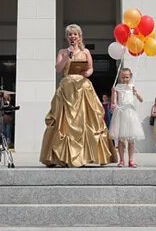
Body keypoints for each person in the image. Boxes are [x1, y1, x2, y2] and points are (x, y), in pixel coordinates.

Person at [40, 24, 117, 167]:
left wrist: (87, 73)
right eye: (70, 34)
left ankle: (89, 156)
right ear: (67, 37)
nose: (72, 37)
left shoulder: (85, 51)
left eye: (75, 34)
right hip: (67, 87)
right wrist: (66, 56)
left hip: (82, 87)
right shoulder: (63, 51)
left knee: (87, 120)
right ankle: (61, 156)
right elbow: (58, 69)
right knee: (63, 121)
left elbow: (90, 68)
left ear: (79, 36)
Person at [109, 67, 144, 168]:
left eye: (127, 77)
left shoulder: (132, 86)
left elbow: (141, 99)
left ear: (130, 76)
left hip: (130, 114)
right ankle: (121, 160)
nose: (125, 79)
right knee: (121, 139)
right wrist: (113, 96)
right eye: (123, 77)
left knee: (131, 140)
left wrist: (136, 92)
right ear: (120, 77)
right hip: (120, 113)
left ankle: (131, 160)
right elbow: (114, 101)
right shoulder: (117, 87)